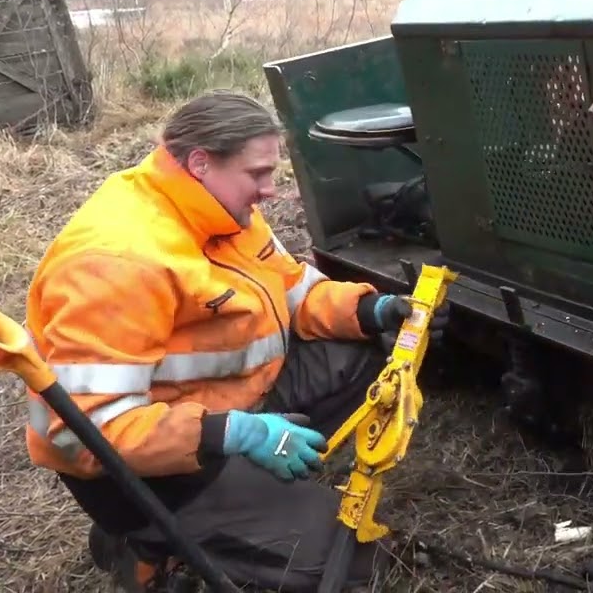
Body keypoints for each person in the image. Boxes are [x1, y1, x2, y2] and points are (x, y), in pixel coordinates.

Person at [22, 91, 449, 592]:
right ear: (201, 162)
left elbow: (294, 290)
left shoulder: (220, 209)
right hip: (142, 473)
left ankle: (249, 502)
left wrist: (371, 310)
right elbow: (84, 432)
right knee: (354, 562)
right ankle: (145, 540)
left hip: (221, 407)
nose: (269, 189)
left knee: (365, 358)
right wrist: (236, 434)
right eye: (258, 174)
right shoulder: (116, 262)